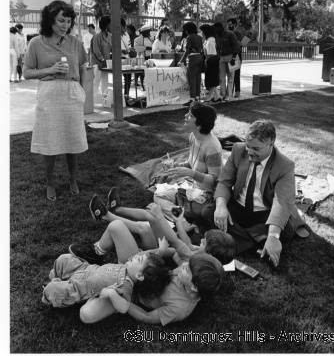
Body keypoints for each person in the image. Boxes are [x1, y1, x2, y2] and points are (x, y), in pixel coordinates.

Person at [72, 203, 225, 325]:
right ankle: (97, 253)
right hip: (135, 269)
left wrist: (118, 298)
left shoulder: (179, 308)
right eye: (187, 263)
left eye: (187, 268)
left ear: (194, 287)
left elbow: (146, 316)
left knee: (86, 315)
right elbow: (174, 249)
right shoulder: (193, 268)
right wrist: (159, 251)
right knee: (116, 226)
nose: (184, 265)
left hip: (129, 294)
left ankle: (93, 284)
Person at [203, 120, 308, 267]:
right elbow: (225, 182)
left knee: (284, 231)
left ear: (271, 143)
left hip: (265, 213)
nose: (250, 152)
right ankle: (256, 242)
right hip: (239, 206)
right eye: (248, 146)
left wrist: (273, 235)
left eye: (256, 149)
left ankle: (234, 240)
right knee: (208, 211)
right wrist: (221, 207)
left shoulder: (285, 165)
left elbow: (281, 201)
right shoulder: (238, 150)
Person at [23, 0, 88, 201]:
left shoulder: (75, 42)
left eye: (68, 21)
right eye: (61, 20)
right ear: (50, 20)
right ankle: (50, 182)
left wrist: (81, 91)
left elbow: (83, 67)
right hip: (49, 96)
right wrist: (50, 70)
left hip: (71, 94)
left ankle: (73, 179)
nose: (65, 25)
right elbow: (26, 72)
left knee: (73, 140)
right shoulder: (36, 43)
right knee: (50, 141)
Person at [87, 188, 235, 265]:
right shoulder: (200, 254)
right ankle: (115, 210)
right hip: (161, 251)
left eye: (204, 241)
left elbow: (176, 241)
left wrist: (159, 216)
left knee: (145, 224)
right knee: (148, 220)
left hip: (154, 258)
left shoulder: (192, 258)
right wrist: (178, 221)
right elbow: (187, 243)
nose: (201, 240)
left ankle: (106, 216)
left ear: (209, 253)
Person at [42, 226, 171, 314]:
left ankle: (49, 294)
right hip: (86, 268)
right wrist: (160, 252)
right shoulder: (129, 267)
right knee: (64, 259)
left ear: (139, 275)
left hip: (80, 288)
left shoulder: (126, 284)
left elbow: (124, 307)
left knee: (54, 289)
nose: (137, 256)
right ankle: (57, 276)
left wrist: (111, 294)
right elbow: (146, 259)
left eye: (139, 260)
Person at [213, 22, 240, 101]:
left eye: (216, 29)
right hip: (221, 58)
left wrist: (234, 58)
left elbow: (236, 46)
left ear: (220, 28)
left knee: (231, 78)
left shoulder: (230, 34)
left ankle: (228, 95)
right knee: (221, 78)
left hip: (231, 56)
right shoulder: (216, 36)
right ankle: (222, 95)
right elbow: (217, 48)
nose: (215, 31)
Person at [179, 22, 203, 103]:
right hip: (200, 58)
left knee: (191, 79)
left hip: (192, 59)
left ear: (188, 30)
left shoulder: (189, 37)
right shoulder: (199, 37)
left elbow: (187, 51)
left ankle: (192, 99)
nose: (185, 31)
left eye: (185, 30)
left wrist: (181, 61)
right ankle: (197, 97)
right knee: (198, 78)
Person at [90, 15, 112, 104]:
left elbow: (111, 49)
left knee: (105, 83)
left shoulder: (109, 36)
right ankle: (91, 102)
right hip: (97, 64)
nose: (112, 26)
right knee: (96, 82)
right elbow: (96, 51)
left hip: (106, 64)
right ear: (106, 25)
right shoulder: (96, 37)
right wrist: (102, 60)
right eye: (111, 24)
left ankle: (105, 101)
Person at [200, 24, 221, 102]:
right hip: (212, 61)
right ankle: (217, 96)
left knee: (211, 80)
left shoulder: (210, 40)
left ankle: (210, 96)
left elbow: (212, 53)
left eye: (202, 31)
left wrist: (206, 60)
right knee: (212, 79)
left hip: (212, 62)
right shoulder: (208, 39)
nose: (201, 33)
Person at [134, 25, 153, 91]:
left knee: (145, 73)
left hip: (149, 57)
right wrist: (146, 48)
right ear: (143, 32)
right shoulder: (137, 39)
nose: (149, 33)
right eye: (148, 32)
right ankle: (138, 84)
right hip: (141, 58)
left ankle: (144, 85)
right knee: (140, 72)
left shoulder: (150, 38)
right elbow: (136, 48)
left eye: (149, 31)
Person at [227, 18, 243, 98]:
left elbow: (240, 44)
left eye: (230, 24)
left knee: (236, 74)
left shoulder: (237, 33)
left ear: (234, 24)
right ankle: (230, 91)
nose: (229, 26)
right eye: (228, 24)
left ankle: (237, 91)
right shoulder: (227, 33)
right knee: (230, 74)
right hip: (229, 55)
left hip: (237, 56)